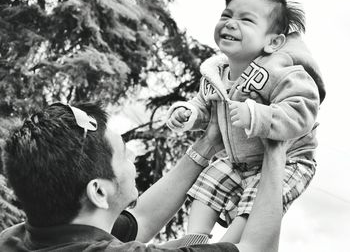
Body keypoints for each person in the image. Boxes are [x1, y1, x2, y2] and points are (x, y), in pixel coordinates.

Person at [0, 101, 288, 251]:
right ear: (98, 192)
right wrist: (277, 147)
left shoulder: (13, 239)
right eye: (123, 154)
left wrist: (208, 143)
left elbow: (144, 219)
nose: (133, 158)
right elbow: (256, 248)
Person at [166, 0, 325, 245]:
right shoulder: (217, 74)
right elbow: (204, 106)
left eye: (246, 20)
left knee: (257, 198)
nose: (230, 23)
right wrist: (189, 114)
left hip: (290, 161)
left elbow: (303, 108)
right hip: (239, 160)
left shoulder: (281, 70)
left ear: (273, 42)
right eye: (226, 15)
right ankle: (193, 240)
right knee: (208, 181)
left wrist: (258, 116)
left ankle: (230, 245)